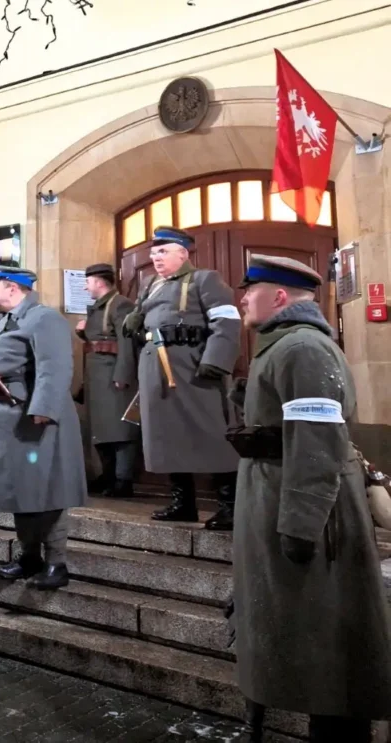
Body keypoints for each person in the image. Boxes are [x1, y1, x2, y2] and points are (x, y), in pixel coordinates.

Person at [229, 254, 391, 743]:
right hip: (274, 494)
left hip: (309, 514)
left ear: (279, 296)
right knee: (306, 637)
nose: (241, 298)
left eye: (250, 290)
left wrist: (299, 526)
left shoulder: (302, 349)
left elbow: (317, 445)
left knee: (330, 647)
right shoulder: (279, 347)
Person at [0, 268, 87, 590]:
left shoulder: (43, 318)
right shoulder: (7, 321)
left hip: (35, 420)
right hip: (9, 420)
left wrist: (44, 410)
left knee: (48, 490)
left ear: (10, 289)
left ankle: (56, 563)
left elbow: (56, 366)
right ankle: (29, 557)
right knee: (22, 490)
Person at [123, 226, 241, 530]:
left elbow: (227, 321)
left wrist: (216, 360)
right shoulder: (150, 285)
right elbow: (141, 319)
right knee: (165, 434)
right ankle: (182, 502)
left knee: (211, 432)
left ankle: (230, 505)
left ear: (182, 253)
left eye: (163, 251)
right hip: (155, 365)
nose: (155, 258)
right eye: (152, 253)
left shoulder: (204, 279)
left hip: (192, 366)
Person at [75, 263, 139, 497]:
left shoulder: (120, 304)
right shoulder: (99, 307)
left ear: (99, 282)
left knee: (121, 430)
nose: (85, 287)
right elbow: (100, 338)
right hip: (98, 376)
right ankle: (108, 476)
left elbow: (125, 341)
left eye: (88, 281)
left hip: (113, 374)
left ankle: (123, 480)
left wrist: (123, 374)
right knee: (100, 429)